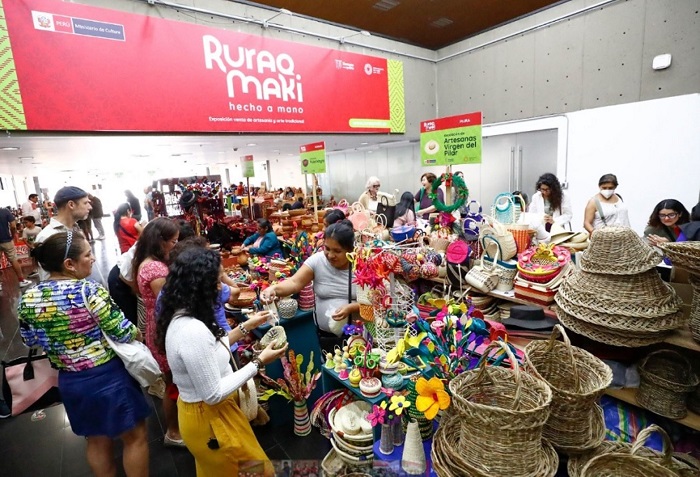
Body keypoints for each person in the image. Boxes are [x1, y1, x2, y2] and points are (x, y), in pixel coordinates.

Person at [18, 231, 150, 477]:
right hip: (108, 377)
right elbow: (122, 332)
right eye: (88, 254)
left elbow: (30, 339)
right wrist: (139, 335)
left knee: (96, 440)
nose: (93, 259)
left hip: (70, 381)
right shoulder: (89, 291)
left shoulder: (28, 299)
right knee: (135, 436)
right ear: (69, 264)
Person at [157, 246, 286, 476]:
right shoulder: (192, 330)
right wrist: (257, 362)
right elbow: (213, 393)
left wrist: (246, 327)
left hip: (207, 416)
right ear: (199, 287)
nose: (221, 287)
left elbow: (211, 349)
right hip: (210, 420)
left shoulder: (184, 315)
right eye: (216, 282)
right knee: (259, 471)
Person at [261, 220, 358, 351]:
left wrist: (352, 307)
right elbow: (295, 282)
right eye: (327, 248)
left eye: (337, 251)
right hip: (325, 338)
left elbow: (375, 302)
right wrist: (274, 289)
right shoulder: (318, 261)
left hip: (357, 338)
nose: (330, 255)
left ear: (350, 250)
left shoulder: (361, 267)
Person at [133, 217, 182, 446]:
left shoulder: (147, 261)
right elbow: (167, 303)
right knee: (173, 383)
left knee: (172, 381)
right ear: (160, 241)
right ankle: (174, 431)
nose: (175, 246)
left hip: (159, 325)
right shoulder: (154, 268)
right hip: (164, 328)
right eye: (172, 241)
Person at [0, 206, 32, 288]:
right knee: (13, 260)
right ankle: (21, 280)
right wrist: (13, 235)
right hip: (6, 239)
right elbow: (13, 226)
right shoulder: (5, 211)